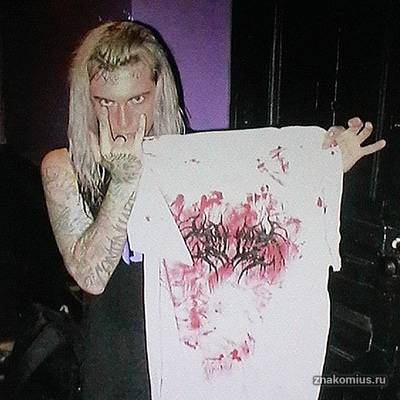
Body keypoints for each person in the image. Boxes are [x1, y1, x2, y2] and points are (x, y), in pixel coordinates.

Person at [40, 20, 386, 400]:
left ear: (160, 92)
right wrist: (123, 181)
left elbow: (268, 192)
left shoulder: (192, 161)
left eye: (137, 100)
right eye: (105, 102)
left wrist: (324, 159)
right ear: (85, 100)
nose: (121, 122)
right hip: (118, 370)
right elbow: (90, 275)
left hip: (192, 369)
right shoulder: (64, 168)